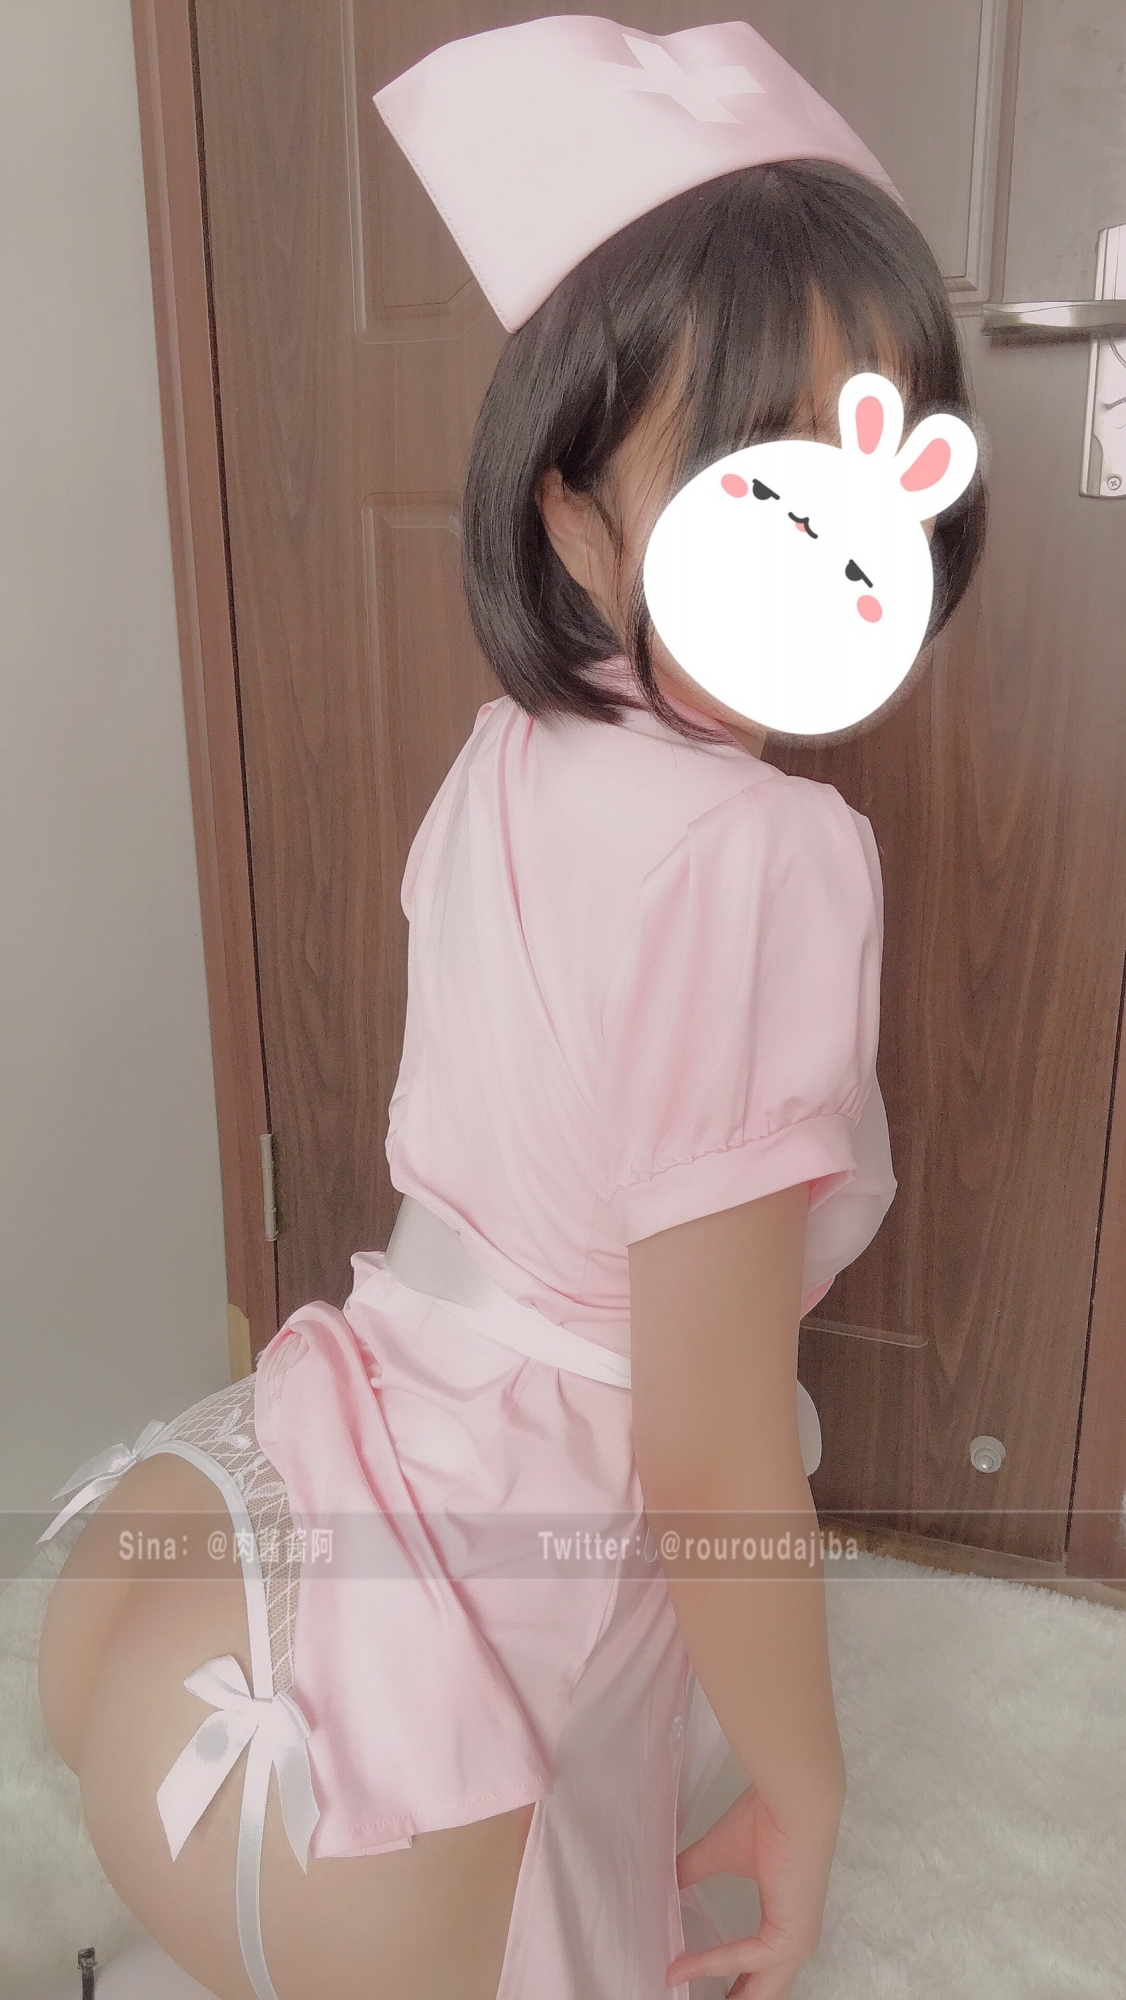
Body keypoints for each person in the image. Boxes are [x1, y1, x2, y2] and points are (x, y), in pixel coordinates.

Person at [34, 18, 986, 2000]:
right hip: (392, 1785)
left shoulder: (509, 752)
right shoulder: (770, 854)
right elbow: (710, 1440)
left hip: (187, 1564)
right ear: (568, 517)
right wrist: (806, 1790)